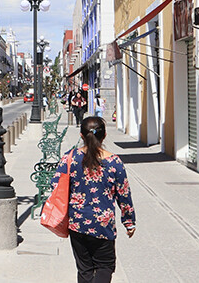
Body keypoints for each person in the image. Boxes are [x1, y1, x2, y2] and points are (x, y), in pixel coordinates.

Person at [52, 116, 136, 282]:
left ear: (81, 136)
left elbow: (55, 185)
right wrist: (129, 222)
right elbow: (124, 194)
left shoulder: (70, 158)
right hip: (103, 225)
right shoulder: (114, 162)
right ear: (104, 136)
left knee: (84, 269)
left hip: (77, 223)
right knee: (105, 266)